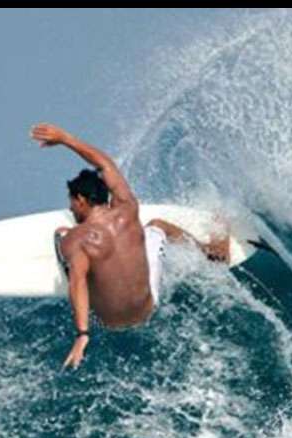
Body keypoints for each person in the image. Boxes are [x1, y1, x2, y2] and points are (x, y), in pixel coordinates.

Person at [30, 123, 230, 369]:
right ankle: (211, 251)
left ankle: (77, 262)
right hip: (148, 307)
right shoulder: (128, 208)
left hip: (105, 321)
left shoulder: (76, 239)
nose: (71, 208)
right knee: (156, 225)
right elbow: (105, 164)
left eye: (72, 202)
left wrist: (82, 334)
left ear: (81, 200)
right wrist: (66, 139)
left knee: (62, 236)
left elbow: (78, 284)